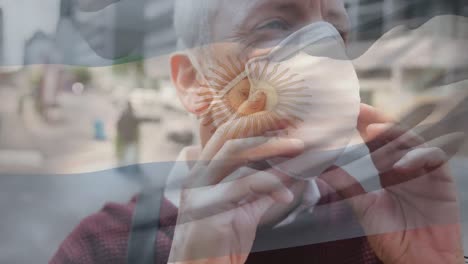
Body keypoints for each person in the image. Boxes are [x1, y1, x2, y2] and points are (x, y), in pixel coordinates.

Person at [50, 0, 465, 263]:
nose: (323, 53)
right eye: (276, 24)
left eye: (337, 34)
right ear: (193, 81)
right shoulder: (102, 247)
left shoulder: (378, 230)